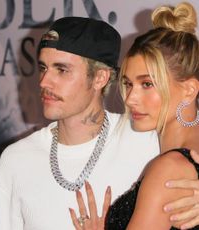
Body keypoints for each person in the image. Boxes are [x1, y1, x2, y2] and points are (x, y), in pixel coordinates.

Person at [0, 16, 199, 230]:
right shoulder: (15, 160)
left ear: (100, 78)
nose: (44, 82)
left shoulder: (147, 135)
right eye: (43, 67)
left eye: (62, 70)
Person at [69, 2, 199, 229]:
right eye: (128, 84)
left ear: (189, 90)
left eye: (147, 84)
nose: (130, 99)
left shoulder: (169, 170)